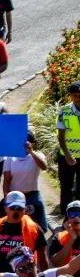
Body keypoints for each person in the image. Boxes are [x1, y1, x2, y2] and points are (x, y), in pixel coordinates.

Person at [3, 132, 48, 231]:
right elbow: (6, 179)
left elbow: (44, 167)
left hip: (32, 194)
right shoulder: (10, 157)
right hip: (14, 194)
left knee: (38, 206)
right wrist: (6, 195)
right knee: (3, 207)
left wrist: (31, 152)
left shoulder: (38, 155)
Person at [56, 82, 80, 216]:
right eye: (75, 95)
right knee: (66, 187)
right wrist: (67, 155)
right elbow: (61, 137)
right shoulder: (64, 111)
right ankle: (66, 217)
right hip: (66, 157)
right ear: (70, 96)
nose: (78, 98)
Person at [49, 201, 80, 267]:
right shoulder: (59, 237)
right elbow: (54, 262)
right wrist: (71, 239)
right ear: (68, 219)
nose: (76, 217)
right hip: (66, 276)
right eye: (72, 214)